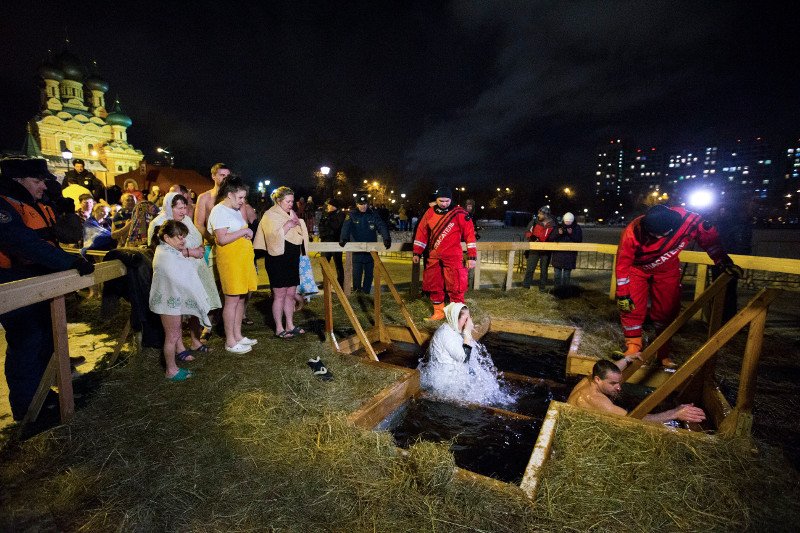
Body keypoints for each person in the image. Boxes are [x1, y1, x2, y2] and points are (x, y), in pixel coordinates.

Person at [0, 157, 94, 420]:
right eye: (37, 181)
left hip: (38, 279)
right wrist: (69, 262)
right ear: (18, 180)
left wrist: (64, 211)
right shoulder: (4, 206)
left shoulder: (34, 203)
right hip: (13, 283)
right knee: (26, 341)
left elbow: (62, 235)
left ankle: (45, 395)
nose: (43, 186)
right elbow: (23, 243)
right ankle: (28, 410)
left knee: (43, 336)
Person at [615, 204, 742, 367]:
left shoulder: (689, 221)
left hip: (667, 270)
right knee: (631, 307)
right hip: (637, 270)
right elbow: (623, 264)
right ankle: (633, 347)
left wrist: (722, 260)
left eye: (657, 235)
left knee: (667, 310)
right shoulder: (632, 232)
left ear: (670, 230)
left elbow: (708, 237)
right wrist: (623, 294)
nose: (653, 237)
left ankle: (663, 353)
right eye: (651, 234)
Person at [148, 192, 221, 351]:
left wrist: (200, 248)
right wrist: (189, 252)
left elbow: (195, 237)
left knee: (194, 304)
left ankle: (196, 341)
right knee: (176, 310)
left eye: (185, 207)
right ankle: (179, 348)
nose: (183, 211)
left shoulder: (186, 220)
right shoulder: (160, 224)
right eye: (178, 208)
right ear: (169, 207)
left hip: (195, 268)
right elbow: (160, 251)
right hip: (176, 273)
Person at [150, 220, 219, 381]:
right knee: (172, 336)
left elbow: (184, 269)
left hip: (169, 301)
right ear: (167, 238)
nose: (183, 241)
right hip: (168, 302)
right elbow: (179, 277)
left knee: (174, 334)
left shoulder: (169, 251)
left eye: (184, 237)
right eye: (179, 237)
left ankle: (172, 367)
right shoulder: (166, 256)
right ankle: (171, 370)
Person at [207, 176, 258, 353]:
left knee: (241, 298)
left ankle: (238, 335)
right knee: (232, 300)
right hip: (231, 262)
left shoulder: (235, 210)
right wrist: (244, 231)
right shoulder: (219, 211)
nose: (243, 201)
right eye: (240, 198)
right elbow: (222, 239)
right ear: (230, 194)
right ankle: (230, 341)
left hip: (242, 260)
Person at [568, 359, 707, 424]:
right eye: (613, 383)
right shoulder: (595, 400)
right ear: (598, 380)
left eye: (619, 382)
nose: (619, 387)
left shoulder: (589, 379)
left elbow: (614, 368)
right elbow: (634, 419)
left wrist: (626, 359)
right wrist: (675, 413)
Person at [253, 186, 310, 338]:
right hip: (277, 259)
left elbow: (298, 234)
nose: (291, 204)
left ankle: (290, 324)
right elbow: (271, 237)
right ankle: (279, 328)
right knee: (279, 294)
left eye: (292, 201)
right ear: (278, 201)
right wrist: (287, 226)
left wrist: (298, 224)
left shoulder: (291, 214)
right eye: (288, 201)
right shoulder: (269, 215)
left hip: (291, 258)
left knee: (291, 293)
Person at [412, 187, 476, 320]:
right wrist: (416, 253)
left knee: (456, 285)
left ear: (451, 200)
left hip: (453, 256)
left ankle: (457, 316)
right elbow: (421, 233)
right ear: (436, 199)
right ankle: (439, 312)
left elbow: (470, 235)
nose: (444, 203)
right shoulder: (429, 213)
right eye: (441, 200)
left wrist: (472, 256)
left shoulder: (459, 213)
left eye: (447, 201)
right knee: (434, 284)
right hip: (434, 256)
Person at [340, 191, 391, 294]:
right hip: (357, 250)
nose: (363, 206)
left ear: (368, 204)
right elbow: (346, 227)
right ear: (357, 204)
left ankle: (366, 292)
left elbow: (381, 226)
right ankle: (357, 293)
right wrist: (343, 238)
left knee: (369, 273)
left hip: (371, 251)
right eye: (360, 204)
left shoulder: (373, 215)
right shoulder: (352, 215)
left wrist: (386, 238)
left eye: (365, 204)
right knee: (357, 273)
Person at [194, 163, 231, 266]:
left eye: (227, 176)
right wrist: (213, 240)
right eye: (222, 175)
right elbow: (198, 224)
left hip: (232, 244)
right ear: (213, 176)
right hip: (210, 245)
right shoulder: (204, 197)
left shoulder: (234, 196)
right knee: (211, 280)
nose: (225, 178)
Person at [523, 205, 556, 291]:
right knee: (530, 269)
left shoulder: (553, 225)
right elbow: (527, 232)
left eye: (540, 214)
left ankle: (542, 289)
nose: (538, 215)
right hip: (534, 249)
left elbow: (554, 236)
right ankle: (525, 288)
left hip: (546, 251)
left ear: (546, 215)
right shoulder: (534, 222)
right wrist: (532, 237)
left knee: (544, 271)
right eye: (538, 213)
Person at [318, 198, 346, 286]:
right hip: (325, 241)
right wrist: (324, 233)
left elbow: (336, 227)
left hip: (336, 242)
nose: (328, 206)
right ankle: (326, 282)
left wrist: (328, 220)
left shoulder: (340, 214)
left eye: (329, 205)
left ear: (334, 206)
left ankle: (340, 283)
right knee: (324, 263)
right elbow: (321, 226)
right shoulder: (325, 214)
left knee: (338, 263)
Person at [551, 212, 582, 287]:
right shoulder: (558, 227)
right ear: (563, 220)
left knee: (566, 275)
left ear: (572, 221)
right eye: (566, 222)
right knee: (557, 275)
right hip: (558, 255)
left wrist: (571, 234)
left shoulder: (576, 228)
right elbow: (551, 238)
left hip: (570, 255)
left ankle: (565, 290)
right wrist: (558, 233)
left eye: (569, 222)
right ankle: (557, 290)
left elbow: (579, 240)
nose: (568, 223)